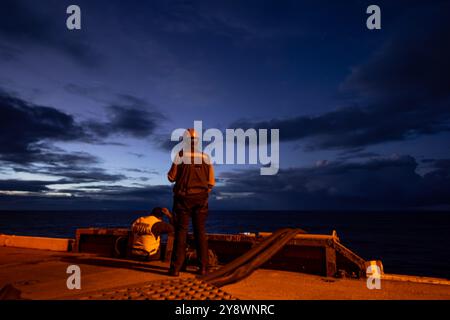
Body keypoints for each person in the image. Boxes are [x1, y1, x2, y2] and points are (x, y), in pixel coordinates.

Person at [168, 128, 215, 276]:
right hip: (201, 199)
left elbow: (171, 177)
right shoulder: (206, 157)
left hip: (183, 200)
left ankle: (176, 268)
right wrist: (203, 194)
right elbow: (211, 182)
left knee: (181, 232)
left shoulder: (180, 156)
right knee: (200, 232)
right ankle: (203, 267)